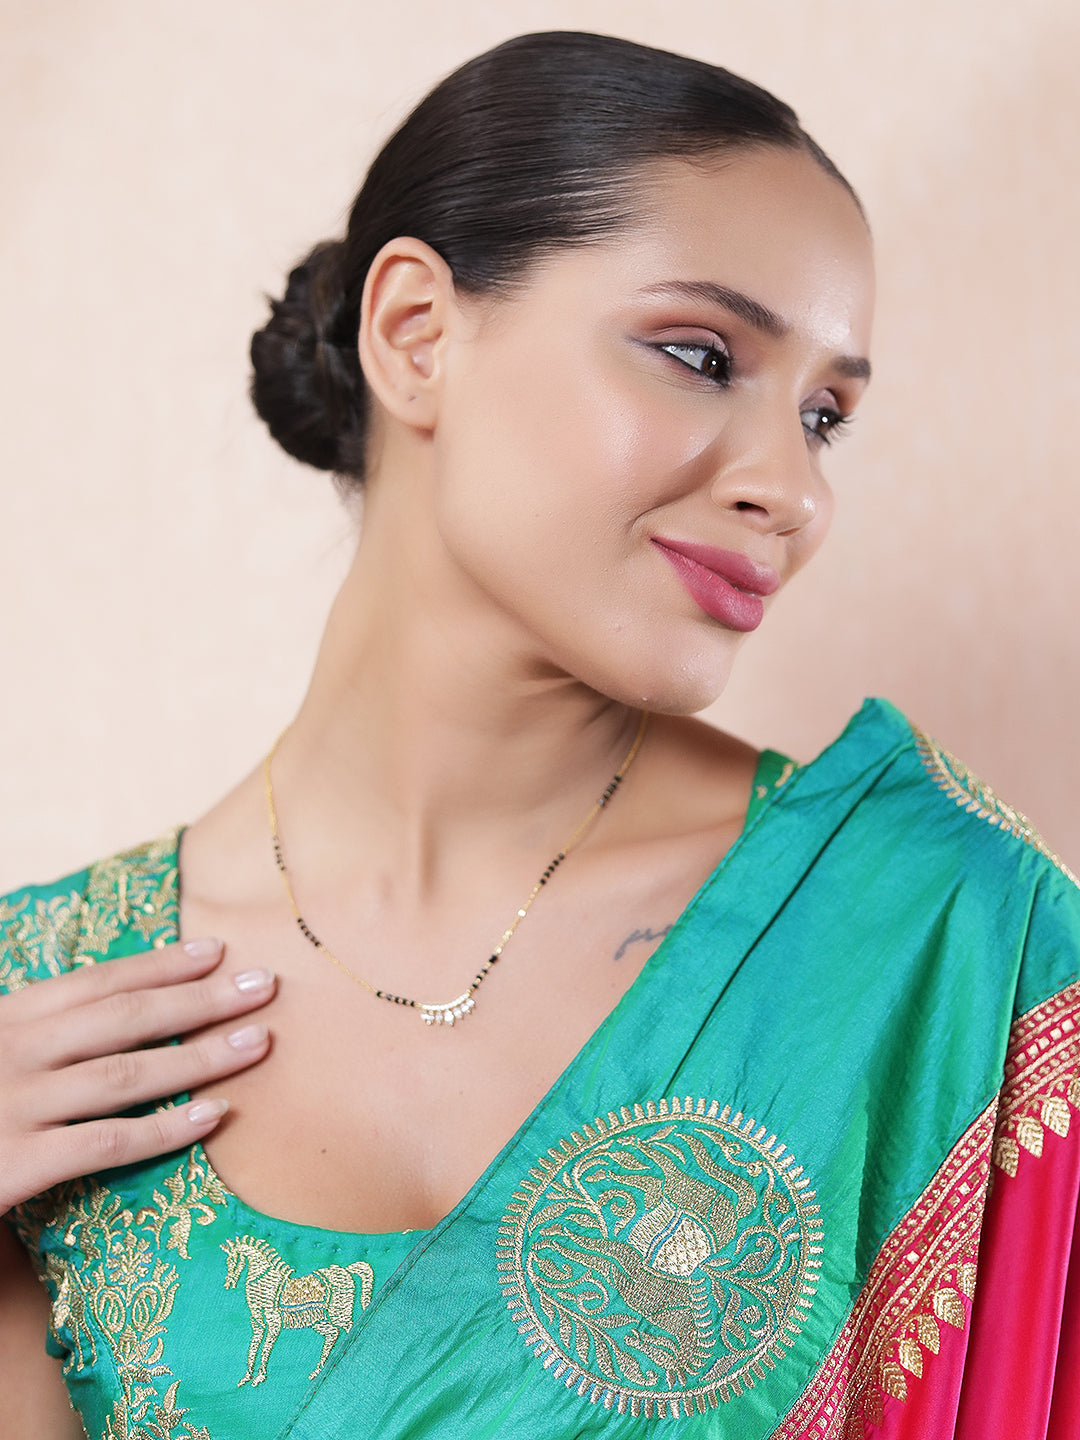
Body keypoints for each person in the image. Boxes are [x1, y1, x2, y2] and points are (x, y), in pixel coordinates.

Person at [1, 29, 1077, 1440]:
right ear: (416, 335)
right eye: (701, 355)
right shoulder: (53, 1006)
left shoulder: (946, 938)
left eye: (825, 417)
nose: (793, 492)